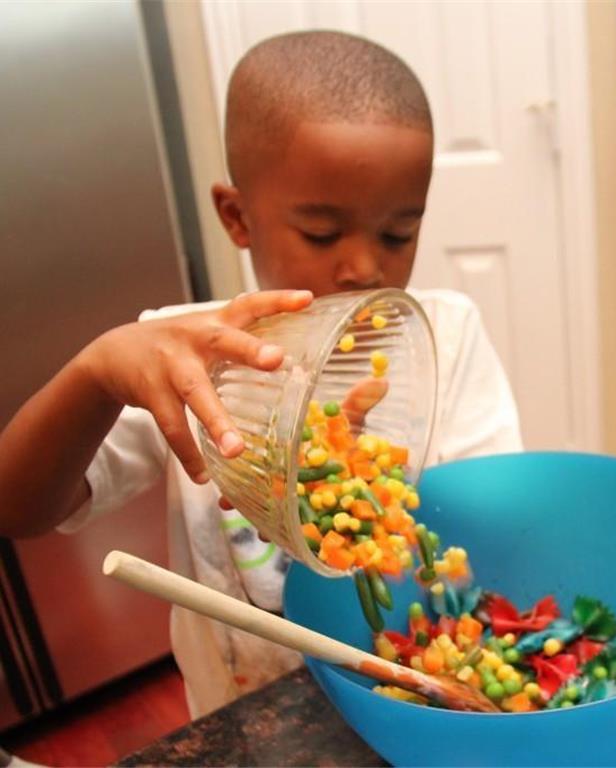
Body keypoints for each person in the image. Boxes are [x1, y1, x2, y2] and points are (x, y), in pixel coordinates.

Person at [0, 30, 521, 717]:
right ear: (237, 216)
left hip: (411, 697)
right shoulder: (183, 360)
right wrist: (96, 372)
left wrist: (363, 478)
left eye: (398, 234)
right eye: (322, 233)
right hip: (243, 709)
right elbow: (18, 506)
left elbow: (490, 525)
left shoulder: (447, 336)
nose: (365, 267)